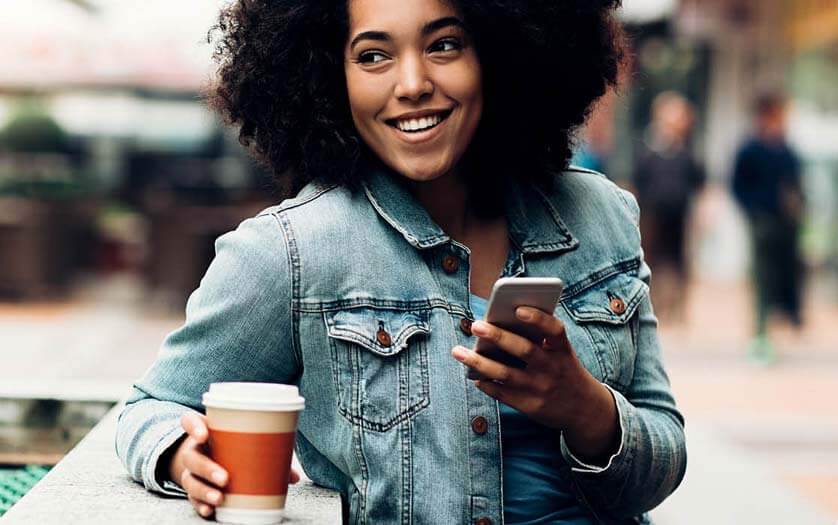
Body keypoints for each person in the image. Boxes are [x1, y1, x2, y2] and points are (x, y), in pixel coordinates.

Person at [116, 1, 686, 523]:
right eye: (373, 56)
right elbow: (152, 408)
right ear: (327, 76)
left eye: (444, 45)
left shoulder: (600, 216)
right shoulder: (291, 252)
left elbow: (664, 460)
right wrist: (180, 457)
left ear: (499, 52)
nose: (412, 84)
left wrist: (585, 408)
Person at [730, 93, 805, 364]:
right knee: (762, 277)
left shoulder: (785, 148)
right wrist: (753, 211)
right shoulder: (750, 148)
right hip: (761, 220)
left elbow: (796, 183)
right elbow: (737, 186)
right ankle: (760, 332)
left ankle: (774, 328)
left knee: (780, 278)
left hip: (785, 223)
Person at [632, 92, 706, 324]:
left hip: (680, 213)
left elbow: (699, 181)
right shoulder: (649, 149)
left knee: (678, 262)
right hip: (653, 213)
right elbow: (638, 180)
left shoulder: (687, 151)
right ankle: (653, 307)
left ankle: (677, 309)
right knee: (651, 260)